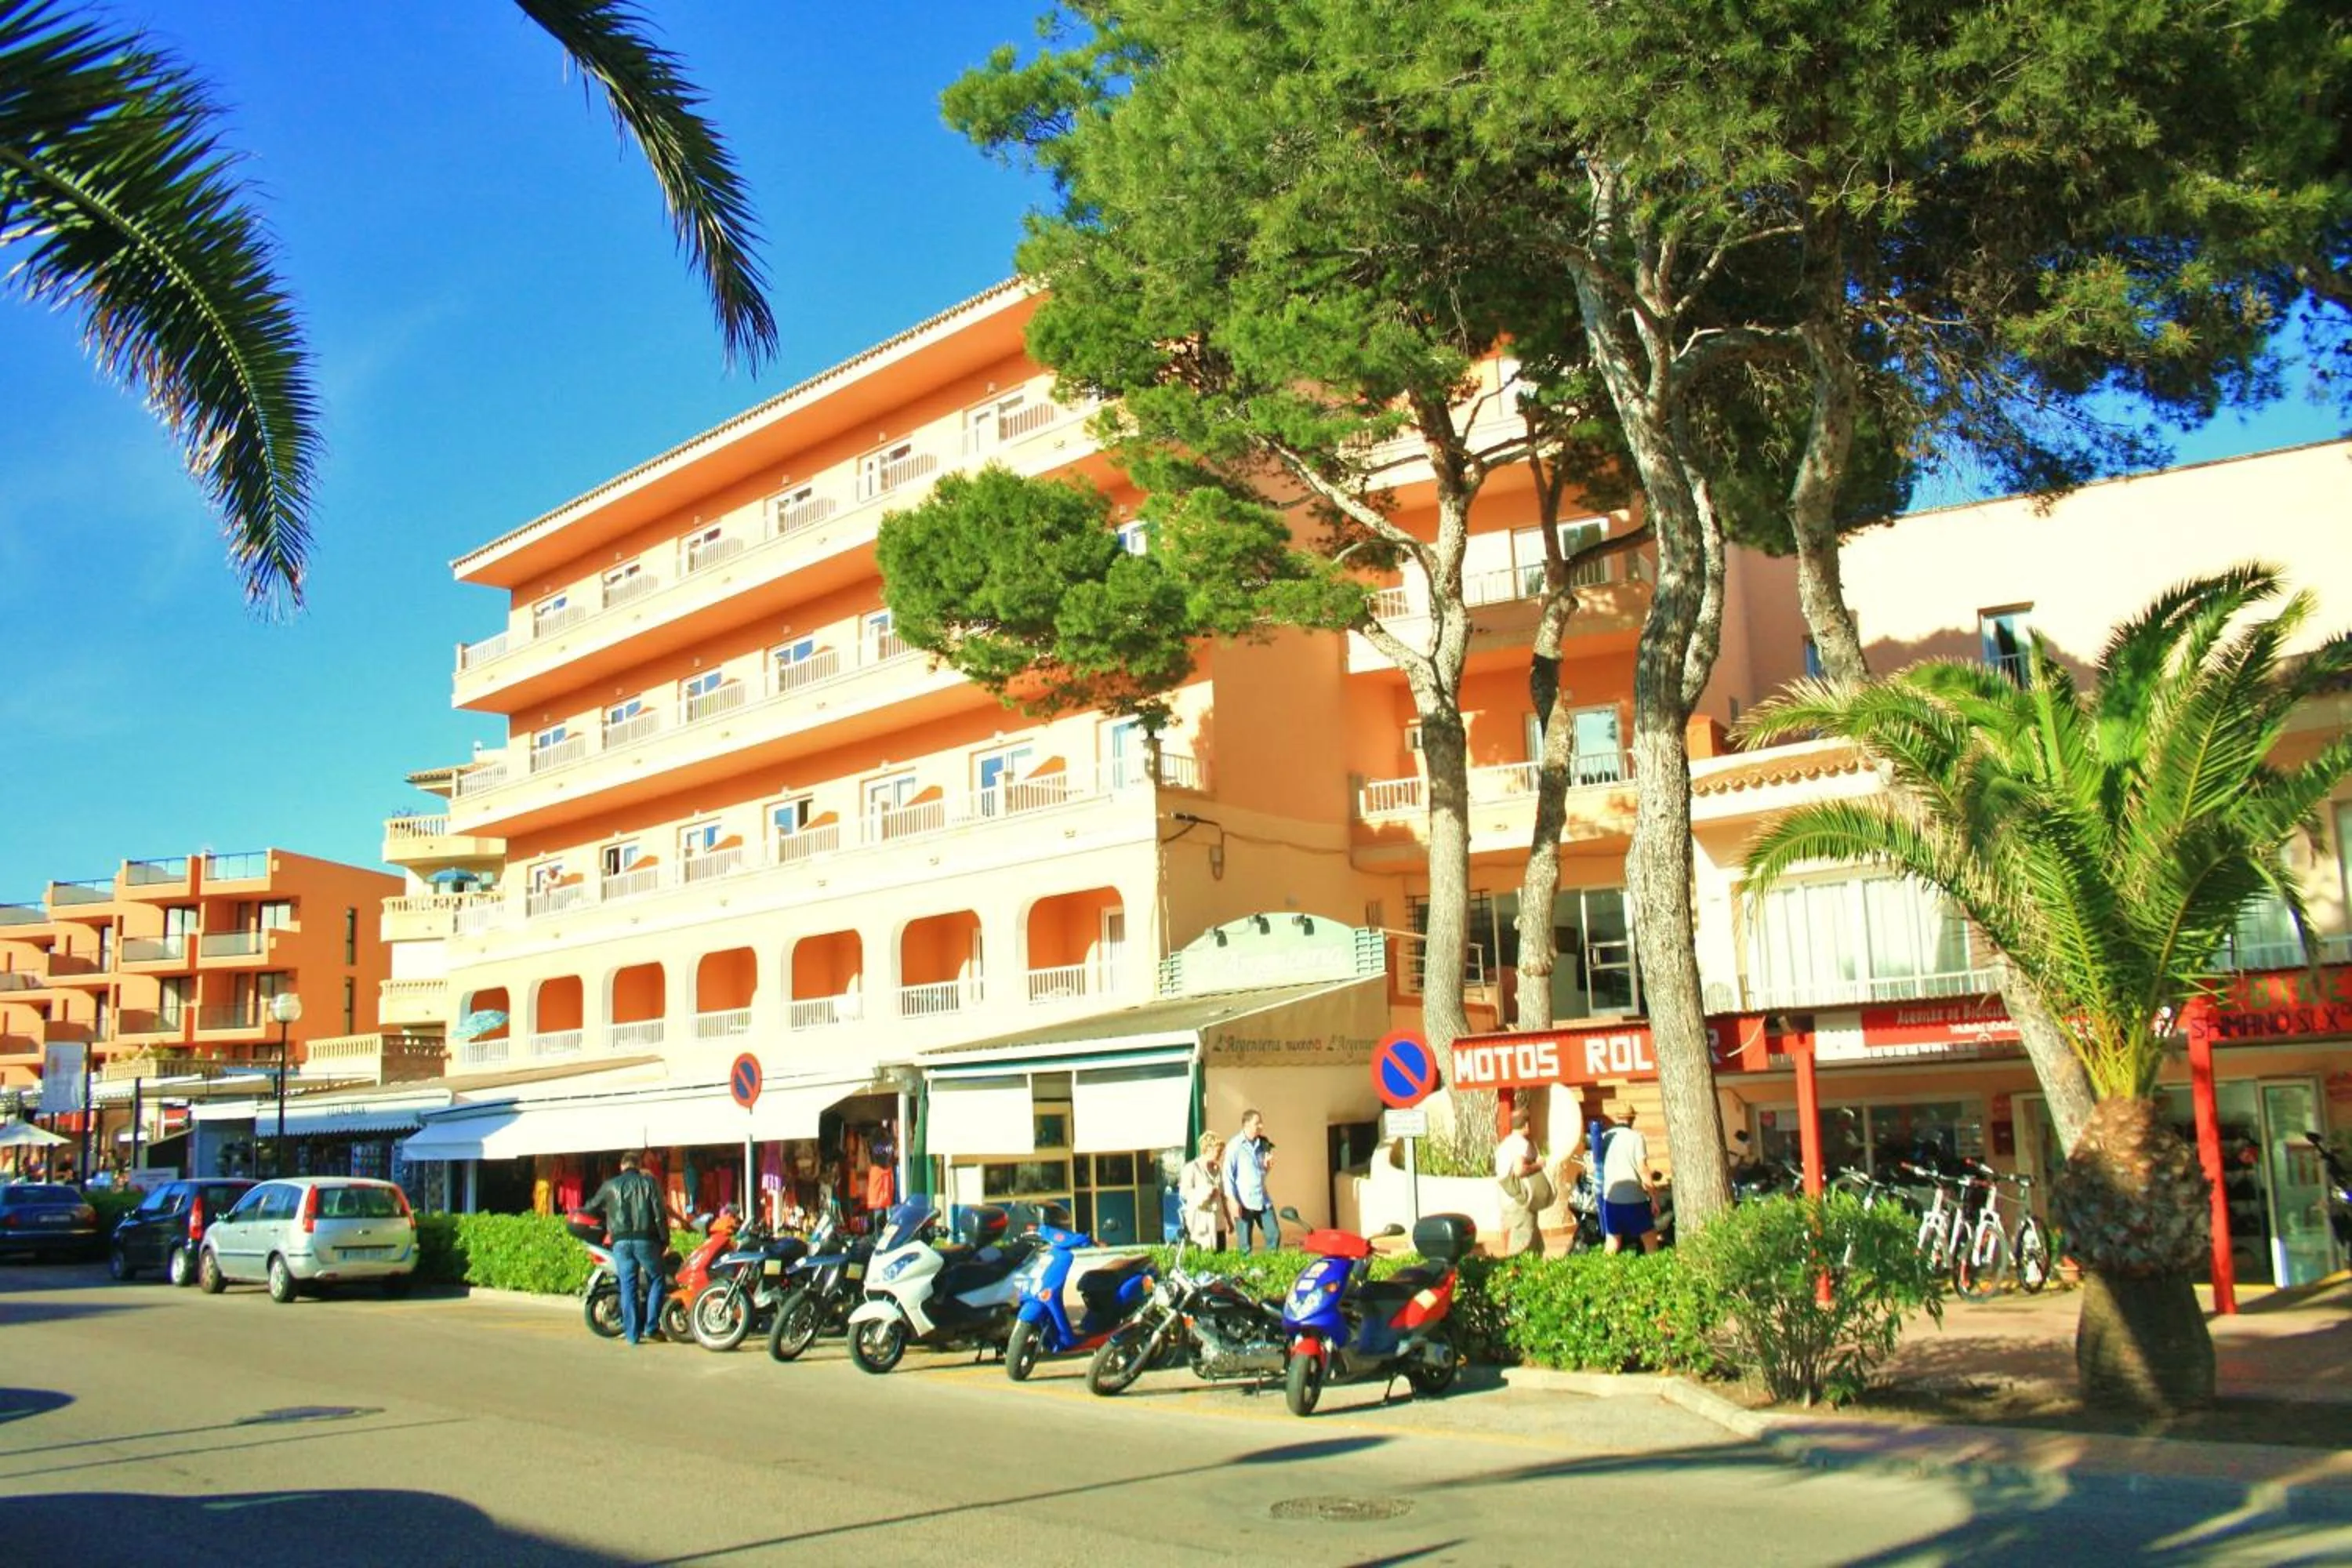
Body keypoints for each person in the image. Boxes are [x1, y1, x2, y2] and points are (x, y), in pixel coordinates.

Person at [580, 1152, 671, 1345]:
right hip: (646, 1240)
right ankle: (651, 1327)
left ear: (622, 1166)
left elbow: (591, 1207)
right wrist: (664, 1239)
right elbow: (659, 1214)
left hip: (620, 1242)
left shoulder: (610, 1185)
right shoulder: (649, 1183)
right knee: (657, 1279)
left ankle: (632, 1335)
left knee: (628, 1286)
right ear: (638, 1165)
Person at [1598, 1102, 1661, 1254]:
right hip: (1634, 1198)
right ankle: (1654, 1266)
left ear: (1617, 1117)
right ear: (1632, 1119)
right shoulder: (1636, 1138)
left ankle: (1604, 1268)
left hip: (1611, 1198)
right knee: (1650, 1240)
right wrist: (1654, 1198)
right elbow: (1643, 1169)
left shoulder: (1605, 1137)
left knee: (1612, 1242)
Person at [1494, 1104, 1552, 1257]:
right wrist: (1538, 1165)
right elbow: (1519, 1170)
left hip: (1508, 1201)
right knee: (1521, 1246)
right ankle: (1516, 1271)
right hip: (1520, 1203)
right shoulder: (1521, 1144)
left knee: (1533, 1243)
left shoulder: (1505, 1144)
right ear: (1526, 1125)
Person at [1222, 1109, 1277, 1254]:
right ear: (1246, 1124)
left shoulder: (1262, 1144)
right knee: (1245, 1246)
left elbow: (1260, 1174)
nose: (1261, 1126)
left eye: (1261, 1123)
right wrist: (1233, 1201)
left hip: (1263, 1199)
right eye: (1257, 1123)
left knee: (1274, 1235)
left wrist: (1267, 1167)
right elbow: (1227, 1175)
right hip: (1243, 1202)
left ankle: (1271, 1265)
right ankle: (1246, 1268)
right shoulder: (1235, 1145)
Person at [1181, 1133, 1230, 1250]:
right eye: (1218, 1151)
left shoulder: (1217, 1169)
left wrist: (1228, 1220)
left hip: (1218, 1223)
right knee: (1205, 1256)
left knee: (1220, 1256)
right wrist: (1205, 1193)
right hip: (1201, 1224)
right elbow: (1185, 1193)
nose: (1220, 1155)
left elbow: (1222, 1196)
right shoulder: (1192, 1168)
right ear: (1208, 1149)